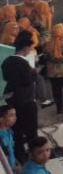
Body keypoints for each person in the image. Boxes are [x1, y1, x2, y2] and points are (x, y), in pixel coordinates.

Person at [2, 31, 39, 163]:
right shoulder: (24, 64)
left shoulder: (6, 61)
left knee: (16, 131)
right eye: (29, 47)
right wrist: (34, 71)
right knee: (31, 132)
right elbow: (27, 81)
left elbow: (6, 78)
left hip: (12, 101)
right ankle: (36, 155)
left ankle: (19, 155)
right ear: (25, 48)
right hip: (27, 102)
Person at [41, 24, 63, 117]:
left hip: (53, 72)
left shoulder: (47, 45)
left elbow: (45, 57)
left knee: (57, 91)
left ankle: (59, 110)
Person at [0, 102, 17, 170]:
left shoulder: (9, 132)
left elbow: (11, 152)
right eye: (11, 115)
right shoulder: (1, 137)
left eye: (15, 115)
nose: (15, 118)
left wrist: (17, 164)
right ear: (1, 119)